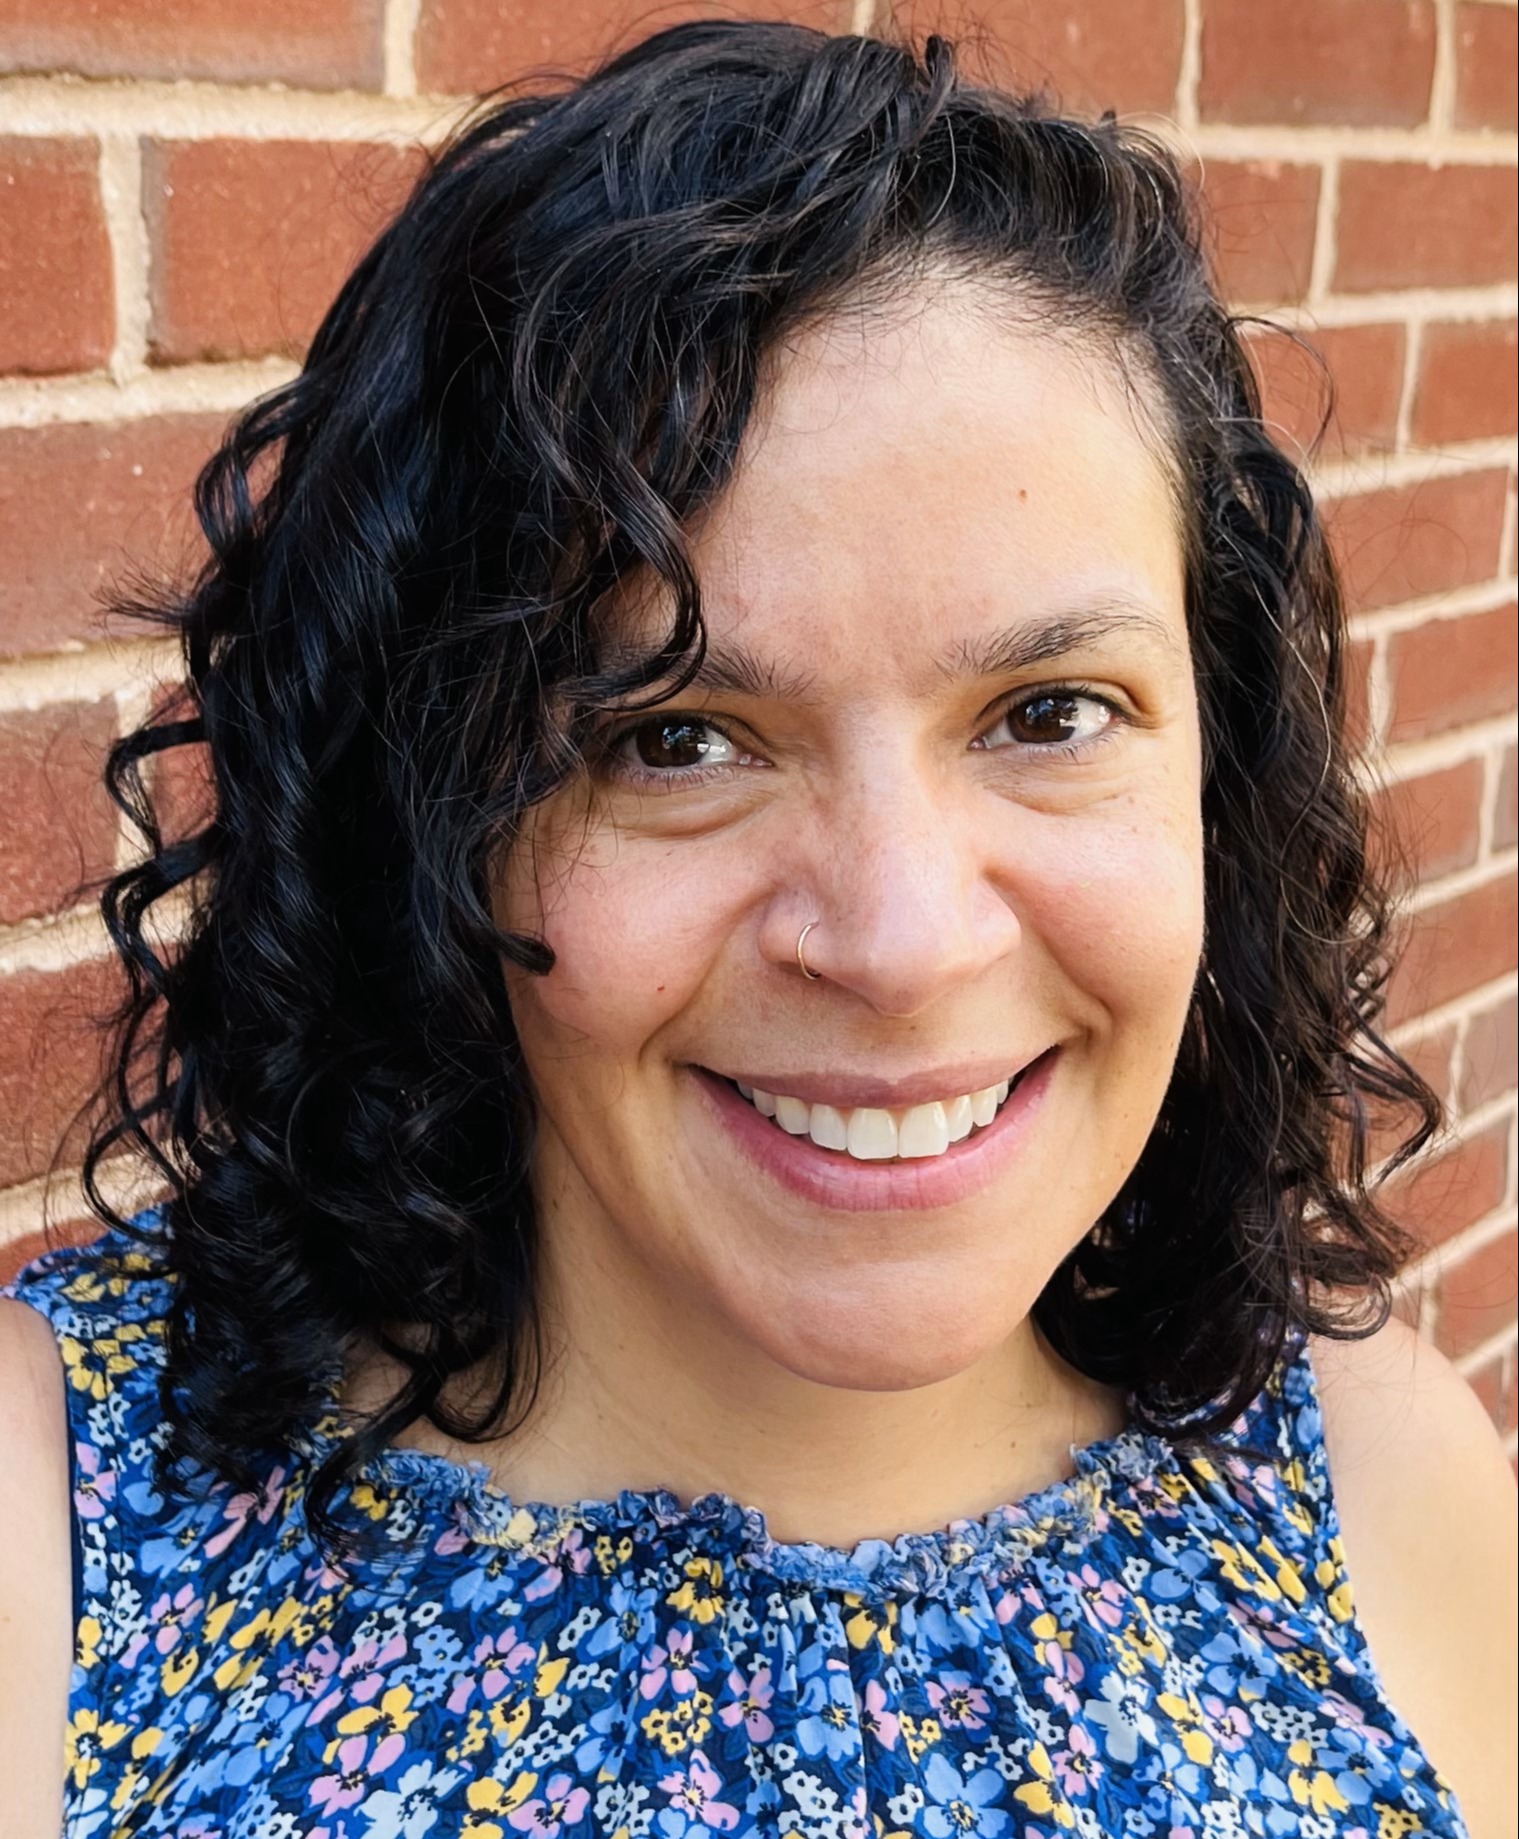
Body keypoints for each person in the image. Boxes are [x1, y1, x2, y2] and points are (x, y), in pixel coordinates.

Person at [1, 19, 1514, 1839]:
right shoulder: (55, 1538)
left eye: (1048, 712)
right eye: (675, 740)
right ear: (427, 818)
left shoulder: (1387, 1485)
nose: (900, 942)